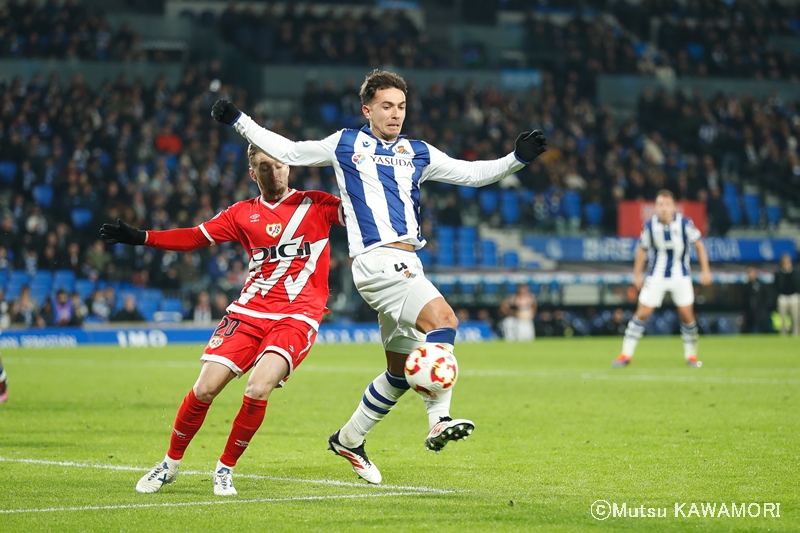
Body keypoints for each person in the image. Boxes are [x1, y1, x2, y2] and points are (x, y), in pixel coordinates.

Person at [211, 68, 547, 484]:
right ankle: (439, 418)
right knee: (445, 322)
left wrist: (518, 159)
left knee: (398, 372)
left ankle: (349, 439)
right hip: (379, 261)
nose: (396, 114)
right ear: (367, 109)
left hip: (406, 264)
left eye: (402, 106)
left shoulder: (418, 152)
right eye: (387, 106)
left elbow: (473, 174)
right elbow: (291, 152)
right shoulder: (346, 143)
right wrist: (239, 121)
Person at [100, 143, 343, 496]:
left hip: (297, 315)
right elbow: (195, 237)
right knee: (204, 388)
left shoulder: (319, 205)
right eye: (264, 167)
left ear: (290, 166)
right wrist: (143, 238)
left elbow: (364, 214)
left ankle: (225, 469)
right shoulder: (242, 213)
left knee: (258, 388)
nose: (273, 172)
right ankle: (169, 464)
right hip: (249, 312)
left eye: (278, 165)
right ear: (252, 173)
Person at [613, 190, 712, 368]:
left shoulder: (685, 224)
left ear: (673, 206)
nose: (664, 208)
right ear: (656, 207)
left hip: (680, 276)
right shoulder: (650, 226)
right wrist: (637, 274)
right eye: (660, 204)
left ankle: (691, 356)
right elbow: (642, 250)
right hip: (656, 276)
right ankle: (625, 355)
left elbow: (699, 245)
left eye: (667, 204)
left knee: (687, 315)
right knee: (642, 313)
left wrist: (706, 271)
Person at [775, 253, 800, 335]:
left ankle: (796, 335)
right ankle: (783, 335)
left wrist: (790, 272)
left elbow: (796, 284)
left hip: (794, 296)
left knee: (795, 318)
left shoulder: (795, 272)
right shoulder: (778, 273)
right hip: (783, 297)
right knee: (782, 319)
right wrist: (784, 272)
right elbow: (778, 286)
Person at [742, 267, 769, 334]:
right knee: (748, 330)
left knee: (763, 330)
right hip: (749, 311)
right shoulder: (746, 286)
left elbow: (766, 297)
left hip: (761, 311)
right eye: (749, 274)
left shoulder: (761, 285)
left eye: (752, 273)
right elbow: (745, 300)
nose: (750, 275)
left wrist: (765, 307)